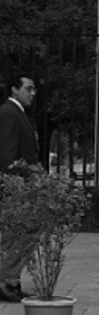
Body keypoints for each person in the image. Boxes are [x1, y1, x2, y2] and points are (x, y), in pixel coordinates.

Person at [0, 71, 39, 302]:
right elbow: (6, 154)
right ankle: (5, 282)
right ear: (14, 89)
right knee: (17, 235)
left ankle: (10, 281)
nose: (33, 93)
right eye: (28, 88)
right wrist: (18, 182)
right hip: (16, 187)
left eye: (34, 89)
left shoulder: (18, 113)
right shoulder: (9, 113)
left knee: (21, 235)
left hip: (22, 185)